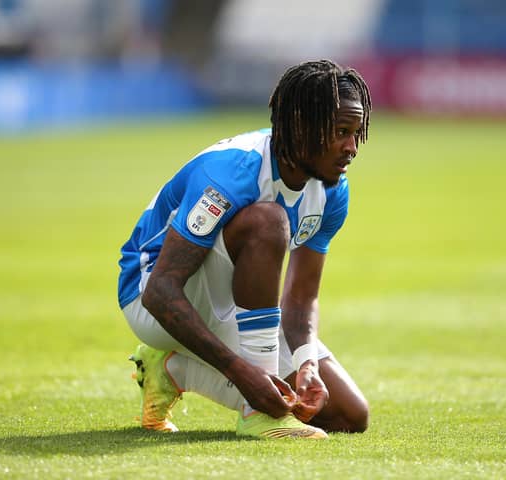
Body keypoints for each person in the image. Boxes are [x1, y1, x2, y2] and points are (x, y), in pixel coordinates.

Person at [117, 59, 372, 439]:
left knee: (348, 415)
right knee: (268, 223)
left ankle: (170, 369)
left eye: (356, 132)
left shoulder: (333, 191)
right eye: (340, 131)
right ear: (302, 124)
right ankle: (259, 414)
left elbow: (300, 300)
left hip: (237, 303)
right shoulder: (231, 173)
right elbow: (160, 290)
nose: (351, 147)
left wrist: (306, 365)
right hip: (151, 294)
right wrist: (241, 373)